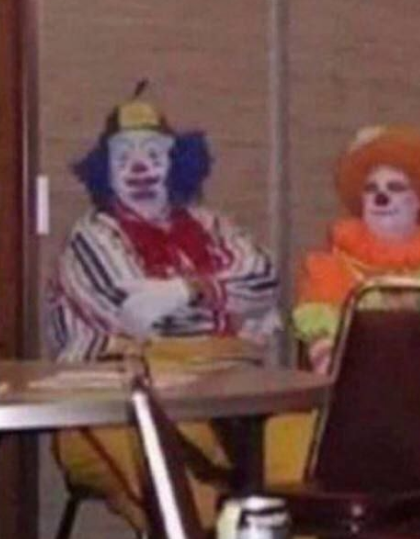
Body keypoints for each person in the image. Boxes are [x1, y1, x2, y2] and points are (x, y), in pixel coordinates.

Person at [46, 85, 281, 530]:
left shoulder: (214, 226)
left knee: (301, 470)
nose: (139, 167)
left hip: (227, 402)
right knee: (182, 500)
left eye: (153, 153)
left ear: (178, 163)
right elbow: (137, 314)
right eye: (124, 156)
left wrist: (187, 289)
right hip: (111, 405)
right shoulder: (92, 237)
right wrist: (227, 309)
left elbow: (266, 280)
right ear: (105, 170)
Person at [292, 124, 420, 453]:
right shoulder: (333, 270)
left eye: (395, 187)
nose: (381, 197)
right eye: (371, 189)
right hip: (361, 419)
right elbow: (328, 357)